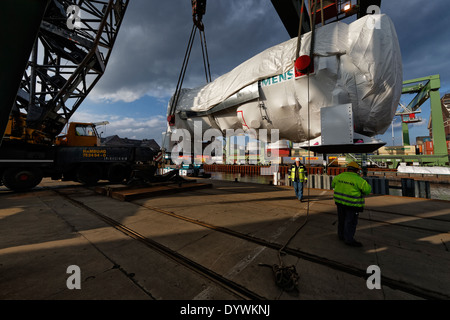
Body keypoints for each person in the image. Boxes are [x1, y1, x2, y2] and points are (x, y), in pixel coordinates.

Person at [331, 161, 372, 247]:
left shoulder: (339, 177)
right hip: (352, 205)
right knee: (350, 222)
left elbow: (333, 185)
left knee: (341, 220)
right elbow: (367, 191)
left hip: (340, 203)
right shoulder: (360, 180)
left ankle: (341, 235)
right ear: (357, 170)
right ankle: (349, 239)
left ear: (347, 169)